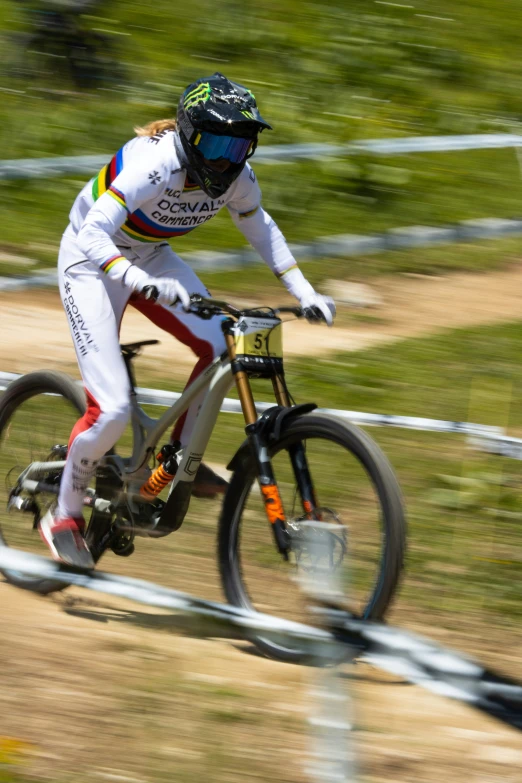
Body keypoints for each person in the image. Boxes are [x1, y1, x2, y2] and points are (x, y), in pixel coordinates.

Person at [40, 72, 336, 568]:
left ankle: (175, 462)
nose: (226, 157)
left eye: (239, 145)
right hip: (91, 262)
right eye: (216, 142)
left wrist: (304, 290)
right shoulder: (155, 165)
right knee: (110, 410)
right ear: (188, 133)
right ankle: (64, 514)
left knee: (227, 340)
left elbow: (259, 224)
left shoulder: (237, 175)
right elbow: (93, 234)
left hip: (150, 255)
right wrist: (135, 278)